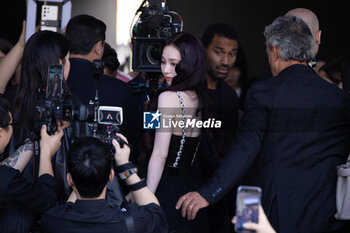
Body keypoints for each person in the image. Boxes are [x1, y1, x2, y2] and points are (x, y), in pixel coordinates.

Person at [176, 15, 350, 233]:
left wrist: (208, 193)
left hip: (273, 212)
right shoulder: (338, 98)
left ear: (275, 51)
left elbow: (246, 148)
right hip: (325, 212)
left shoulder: (264, 92)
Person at [143, 32, 211, 233]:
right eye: (163, 62)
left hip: (165, 187)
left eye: (174, 64)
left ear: (190, 64)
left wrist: (146, 200)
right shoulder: (199, 96)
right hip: (191, 187)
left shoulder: (167, 97)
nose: (165, 70)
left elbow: (160, 154)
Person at [41, 135, 168, 233]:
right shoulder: (133, 222)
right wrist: (125, 166)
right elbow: (156, 213)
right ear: (111, 176)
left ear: (69, 179)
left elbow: (69, 208)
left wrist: (84, 173)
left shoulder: (52, 220)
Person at [64, 14, 142, 164]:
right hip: (106, 177)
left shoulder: (50, 85)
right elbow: (131, 145)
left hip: (54, 173)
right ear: (99, 47)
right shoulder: (120, 90)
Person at [11, 30, 71, 200]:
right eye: (68, 59)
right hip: (57, 205)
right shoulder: (69, 109)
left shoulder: (10, 103)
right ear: (59, 63)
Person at [197, 22, 241, 233]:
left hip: (220, 189)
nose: (225, 61)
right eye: (218, 52)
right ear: (203, 50)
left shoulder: (230, 96)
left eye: (232, 54)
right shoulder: (188, 92)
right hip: (190, 186)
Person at [0, 93, 65, 219]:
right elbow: (45, 200)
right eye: (12, 124)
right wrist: (46, 153)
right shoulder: (5, 179)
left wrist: (35, 139)